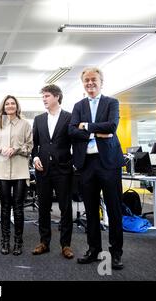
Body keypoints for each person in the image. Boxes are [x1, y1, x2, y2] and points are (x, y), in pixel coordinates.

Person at [69, 67, 125, 270]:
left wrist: (86, 127)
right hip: (86, 164)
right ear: (83, 83)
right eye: (86, 80)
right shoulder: (78, 106)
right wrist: (95, 132)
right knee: (91, 210)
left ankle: (115, 253)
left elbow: (111, 127)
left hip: (108, 163)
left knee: (114, 209)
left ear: (101, 81)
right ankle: (94, 250)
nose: (90, 83)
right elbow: (71, 130)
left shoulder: (112, 102)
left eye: (94, 79)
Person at [31, 84, 74, 259]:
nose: (44, 99)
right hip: (43, 170)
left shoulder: (70, 117)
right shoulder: (39, 119)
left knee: (65, 208)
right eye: (43, 96)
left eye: (47, 96)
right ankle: (44, 242)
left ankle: (66, 245)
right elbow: (34, 145)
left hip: (63, 169)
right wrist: (34, 158)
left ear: (57, 97)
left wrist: (72, 162)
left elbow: (75, 142)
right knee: (43, 207)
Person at [0, 95, 32, 256]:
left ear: (17, 106)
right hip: (2, 169)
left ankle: (18, 242)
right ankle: (5, 241)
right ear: (3, 106)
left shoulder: (25, 124)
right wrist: (1, 149)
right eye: (7, 104)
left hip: (20, 169)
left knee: (18, 207)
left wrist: (16, 149)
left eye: (12, 103)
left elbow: (30, 146)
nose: (10, 106)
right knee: (5, 206)